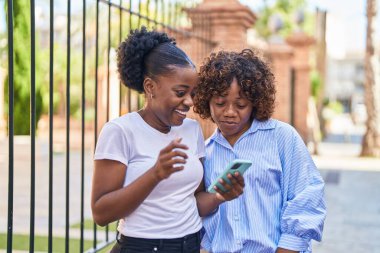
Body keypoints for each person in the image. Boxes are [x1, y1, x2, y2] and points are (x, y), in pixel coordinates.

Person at [91, 27, 245, 253]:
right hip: (142, 247)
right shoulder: (120, 131)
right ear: (150, 87)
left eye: (192, 93)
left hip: (190, 245)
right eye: (180, 92)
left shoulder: (191, 130)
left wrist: (220, 195)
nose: (190, 102)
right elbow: (101, 213)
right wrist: (155, 174)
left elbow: (195, 202)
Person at [193, 49, 326, 253]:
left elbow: (306, 199)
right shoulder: (205, 151)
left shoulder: (282, 137)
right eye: (220, 103)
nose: (229, 112)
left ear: (254, 102)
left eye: (241, 105)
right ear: (206, 101)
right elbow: (206, 218)